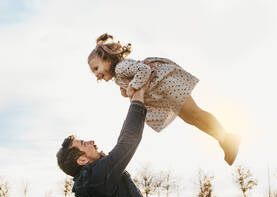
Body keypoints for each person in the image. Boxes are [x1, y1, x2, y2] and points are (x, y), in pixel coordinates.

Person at [87, 33, 241, 166]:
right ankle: (222, 139)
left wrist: (131, 87)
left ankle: (227, 138)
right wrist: (127, 90)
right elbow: (133, 84)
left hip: (167, 85)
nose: (96, 74)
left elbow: (144, 70)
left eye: (96, 68)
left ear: (106, 59)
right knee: (191, 118)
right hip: (163, 91)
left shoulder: (121, 67)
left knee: (195, 114)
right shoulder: (118, 76)